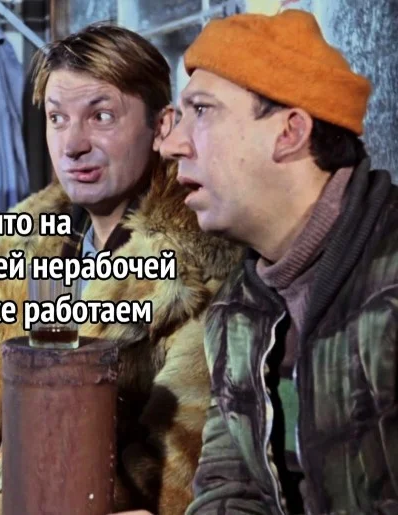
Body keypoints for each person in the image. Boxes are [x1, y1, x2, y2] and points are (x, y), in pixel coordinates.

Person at [0, 23, 243, 515]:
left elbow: (172, 473)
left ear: (162, 126)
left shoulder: (197, 271)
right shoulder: (28, 250)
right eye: (57, 118)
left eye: (102, 116)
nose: (73, 144)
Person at [158, 8, 398, 515]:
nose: (173, 144)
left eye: (201, 111)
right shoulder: (237, 310)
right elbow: (232, 490)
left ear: (289, 132)